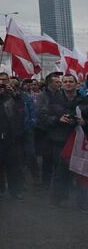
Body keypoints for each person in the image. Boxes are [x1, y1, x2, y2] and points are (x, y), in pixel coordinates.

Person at [39, 74, 88, 207]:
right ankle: (56, 200)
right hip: (59, 140)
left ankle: (83, 203)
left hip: (79, 140)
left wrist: (84, 122)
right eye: (65, 81)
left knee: (81, 171)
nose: (67, 84)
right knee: (60, 171)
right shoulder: (53, 99)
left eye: (70, 81)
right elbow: (43, 116)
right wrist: (57, 119)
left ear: (76, 84)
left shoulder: (83, 100)